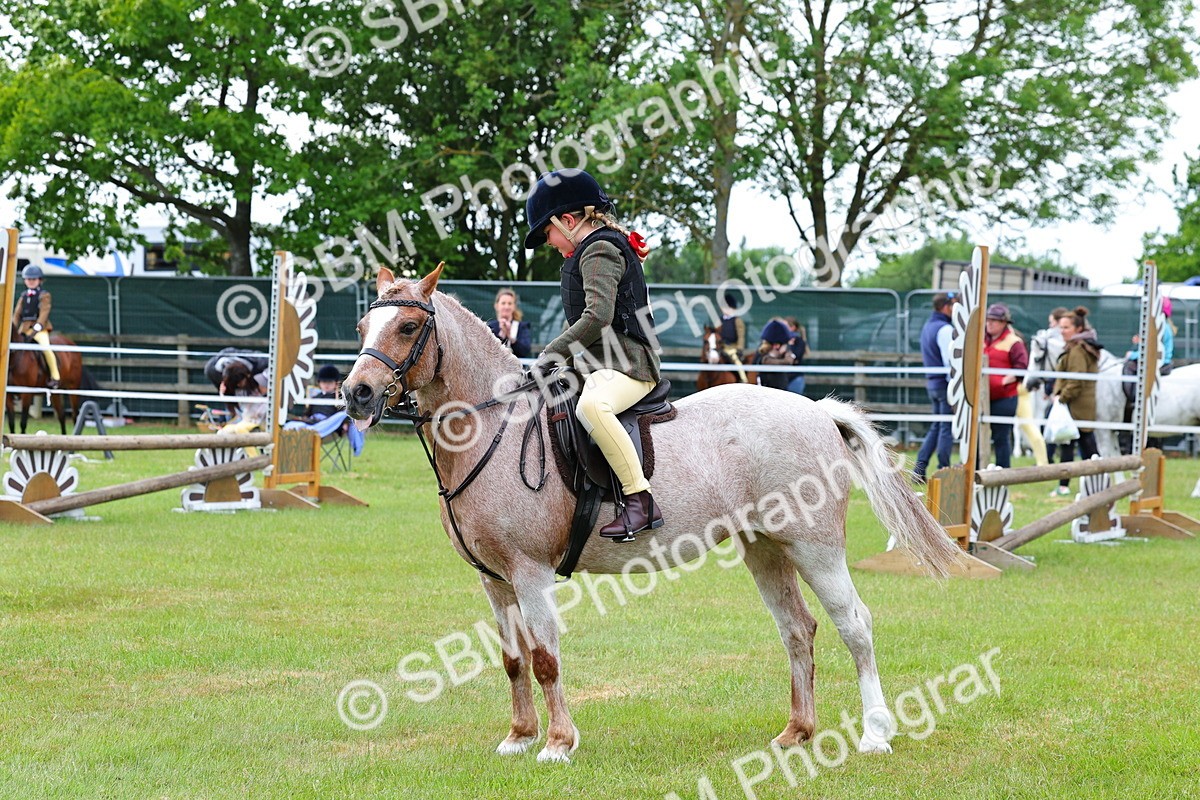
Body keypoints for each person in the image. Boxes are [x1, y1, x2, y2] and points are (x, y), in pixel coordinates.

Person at [525, 169, 662, 540]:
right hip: (603, 364)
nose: (549, 242)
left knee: (591, 409)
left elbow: (597, 317)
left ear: (568, 221)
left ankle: (639, 500)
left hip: (629, 364)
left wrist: (549, 356)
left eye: (547, 233)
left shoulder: (600, 249)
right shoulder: (591, 249)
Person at [1052, 306, 1102, 494]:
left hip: (1076, 406)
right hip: (1080, 405)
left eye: (1066, 327)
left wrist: (1061, 398)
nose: (1062, 331)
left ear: (1078, 329)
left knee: (1080, 446)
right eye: (1061, 327)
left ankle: (1066, 485)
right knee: (1083, 446)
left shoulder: (1077, 350)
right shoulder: (1080, 346)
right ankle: (1089, 482)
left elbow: (1076, 380)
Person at [913, 292, 956, 483]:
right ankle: (943, 469)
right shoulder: (945, 329)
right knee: (946, 427)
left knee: (937, 426)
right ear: (946, 307)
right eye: (954, 305)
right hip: (944, 383)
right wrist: (954, 386)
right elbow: (950, 361)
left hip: (933, 383)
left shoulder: (928, 326)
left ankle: (919, 467)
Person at [983, 303, 1028, 469]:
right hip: (982, 397)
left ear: (1004, 323)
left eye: (995, 320)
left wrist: (1001, 382)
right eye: (988, 319)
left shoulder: (1014, 342)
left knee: (1001, 436)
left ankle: (1003, 472)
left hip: (1004, 398)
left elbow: (1021, 368)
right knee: (978, 437)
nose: (990, 323)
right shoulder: (981, 339)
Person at [1026, 308, 1070, 464]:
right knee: (1049, 420)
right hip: (1057, 390)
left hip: (1064, 393)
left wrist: (1052, 390)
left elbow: (1058, 369)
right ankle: (1047, 459)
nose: (1050, 326)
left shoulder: (1061, 345)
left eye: (1052, 323)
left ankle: (1047, 460)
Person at [13, 265, 60, 389]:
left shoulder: (44, 295)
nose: (31, 281)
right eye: (28, 279)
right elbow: (17, 314)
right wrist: (12, 327)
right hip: (24, 329)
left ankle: (55, 377)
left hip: (40, 329)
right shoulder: (23, 296)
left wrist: (37, 328)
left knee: (46, 349)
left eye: (34, 279)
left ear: (39, 280)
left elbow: (44, 312)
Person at [753, 319, 797, 391]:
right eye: (785, 344)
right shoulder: (766, 359)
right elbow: (788, 361)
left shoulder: (779, 356)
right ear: (777, 345)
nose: (787, 346)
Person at [487, 287, 532, 358]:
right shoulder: (489, 327)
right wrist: (501, 335)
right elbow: (488, 351)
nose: (506, 307)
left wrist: (510, 336)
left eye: (510, 303)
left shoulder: (522, 326)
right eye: (503, 303)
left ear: (514, 306)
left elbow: (525, 351)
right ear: (496, 305)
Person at [717, 291, 749, 383]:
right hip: (721, 347)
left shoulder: (737, 320)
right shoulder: (719, 320)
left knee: (736, 361)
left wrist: (739, 348)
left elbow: (741, 336)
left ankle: (743, 379)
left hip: (732, 348)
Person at [783, 316, 808, 395]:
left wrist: (789, 346)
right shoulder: (781, 341)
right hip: (782, 378)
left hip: (795, 378)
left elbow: (795, 357)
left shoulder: (799, 342)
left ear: (793, 327)